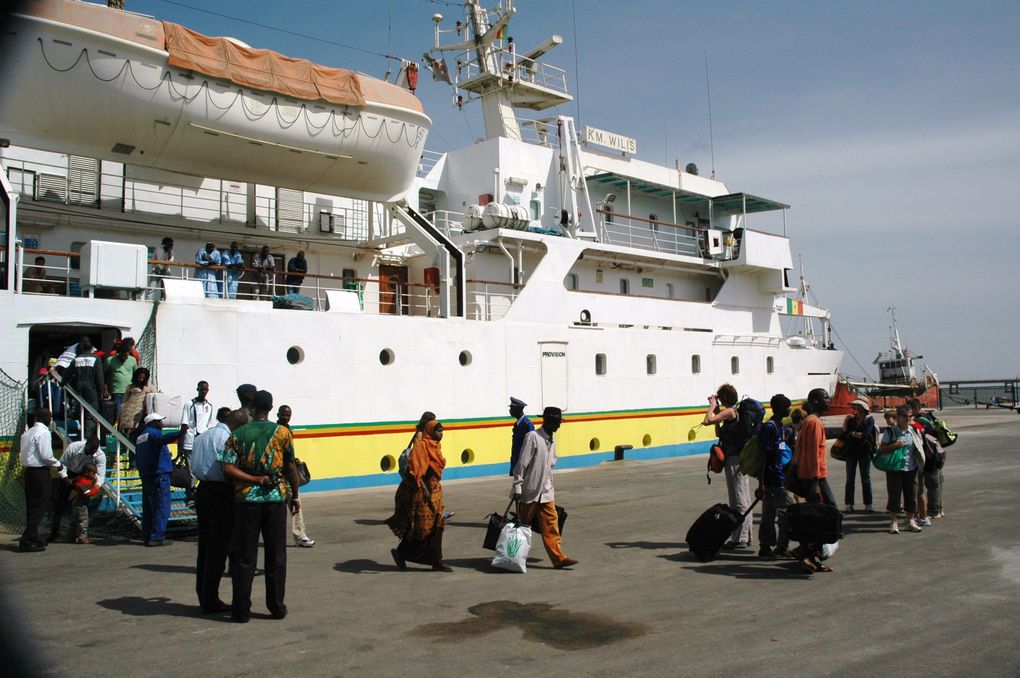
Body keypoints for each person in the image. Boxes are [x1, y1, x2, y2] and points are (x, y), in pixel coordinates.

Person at [221, 390, 301, 622]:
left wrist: (253, 479)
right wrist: (295, 496)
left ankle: (240, 610)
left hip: (246, 501)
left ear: (252, 407)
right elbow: (291, 468)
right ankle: (276, 607)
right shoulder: (283, 433)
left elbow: (227, 469)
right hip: (275, 500)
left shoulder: (238, 433)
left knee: (244, 557)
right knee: (276, 555)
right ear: (271, 408)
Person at [511, 406, 578, 569]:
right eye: (555, 422)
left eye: (559, 422)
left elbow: (550, 465)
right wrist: (518, 486)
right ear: (546, 421)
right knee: (522, 525)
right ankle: (512, 555)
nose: (557, 425)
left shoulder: (552, 441)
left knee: (551, 524)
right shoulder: (533, 437)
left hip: (546, 491)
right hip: (529, 490)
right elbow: (522, 464)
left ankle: (558, 558)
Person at [386, 419, 452, 572]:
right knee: (420, 528)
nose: (441, 434)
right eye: (438, 431)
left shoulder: (436, 446)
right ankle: (401, 553)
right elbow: (416, 472)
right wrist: (425, 491)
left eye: (442, 431)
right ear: (429, 431)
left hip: (435, 492)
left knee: (438, 525)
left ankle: (437, 561)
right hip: (422, 494)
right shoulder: (421, 446)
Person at [191, 406, 234, 614]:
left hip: (203, 489)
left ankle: (203, 593)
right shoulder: (226, 439)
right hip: (221, 492)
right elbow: (229, 470)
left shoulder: (202, 437)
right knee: (218, 548)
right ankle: (211, 597)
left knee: (205, 546)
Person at [792, 387, 839, 573]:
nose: (829, 401)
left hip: (812, 476)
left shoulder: (810, 422)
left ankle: (808, 552)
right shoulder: (814, 423)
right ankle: (807, 551)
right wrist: (814, 482)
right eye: (825, 398)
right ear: (815, 401)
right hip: (815, 477)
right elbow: (811, 453)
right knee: (829, 513)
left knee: (816, 516)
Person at [702, 384, 752, 549]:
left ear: (724, 398)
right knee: (743, 497)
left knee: (738, 498)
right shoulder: (733, 413)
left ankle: (740, 538)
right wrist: (717, 413)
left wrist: (712, 407)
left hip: (734, 459)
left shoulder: (730, 411)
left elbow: (706, 421)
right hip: (738, 458)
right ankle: (745, 535)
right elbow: (718, 432)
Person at [135, 412, 187, 546]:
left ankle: (147, 535)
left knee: (149, 508)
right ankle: (157, 537)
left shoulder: (141, 437)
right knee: (162, 505)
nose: (162, 424)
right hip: (158, 475)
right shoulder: (153, 433)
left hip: (147, 475)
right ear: (152, 423)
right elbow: (164, 439)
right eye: (159, 421)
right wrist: (180, 432)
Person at [19, 408, 63, 552]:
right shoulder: (43, 433)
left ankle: (33, 535)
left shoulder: (27, 433)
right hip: (40, 472)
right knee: (40, 505)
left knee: (32, 506)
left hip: (29, 472)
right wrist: (58, 464)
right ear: (49, 420)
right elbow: (46, 455)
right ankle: (27, 540)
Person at [49, 435, 106, 544]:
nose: (92, 453)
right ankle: (54, 533)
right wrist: (66, 479)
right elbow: (62, 464)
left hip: (84, 477)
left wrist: (97, 486)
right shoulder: (73, 447)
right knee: (59, 504)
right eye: (90, 450)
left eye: (95, 450)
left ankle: (76, 535)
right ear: (86, 445)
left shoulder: (100, 455)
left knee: (82, 508)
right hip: (69, 474)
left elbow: (101, 475)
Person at [757, 394, 792, 560]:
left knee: (770, 514)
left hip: (780, 476)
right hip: (773, 478)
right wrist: (761, 482)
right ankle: (779, 546)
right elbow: (763, 455)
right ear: (779, 409)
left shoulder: (780, 427)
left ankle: (767, 547)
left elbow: (781, 450)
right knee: (785, 513)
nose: (789, 410)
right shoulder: (770, 427)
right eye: (787, 407)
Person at [879, 405, 925, 534]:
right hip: (895, 468)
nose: (908, 419)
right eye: (905, 416)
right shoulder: (891, 431)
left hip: (911, 468)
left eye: (910, 416)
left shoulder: (914, 431)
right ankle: (893, 522)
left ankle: (910, 520)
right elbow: (881, 449)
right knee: (894, 495)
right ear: (898, 417)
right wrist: (895, 445)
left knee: (911, 495)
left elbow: (919, 448)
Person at [277, 404, 314, 547]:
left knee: (294, 504)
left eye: (288, 415)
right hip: (282, 474)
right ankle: (299, 535)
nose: (286, 417)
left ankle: (299, 535)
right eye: (283, 415)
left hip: (286, 473)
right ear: (278, 414)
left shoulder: (288, 430)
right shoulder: (277, 431)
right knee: (295, 502)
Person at [908, 398, 943, 523]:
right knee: (937, 483)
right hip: (938, 452)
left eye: (909, 409)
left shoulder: (920, 421)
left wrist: (910, 423)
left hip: (929, 456)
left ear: (915, 408)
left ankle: (934, 511)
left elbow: (920, 432)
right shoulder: (929, 417)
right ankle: (939, 509)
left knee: (931, 484)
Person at [65, 337, 105, 440]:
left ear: (81, 348)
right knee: (91, 413)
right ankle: (87, 437)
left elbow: (67, 374)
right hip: (91, 388)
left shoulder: (76, 359)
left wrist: (62, 383)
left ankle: (81, 434)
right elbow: (99, 376)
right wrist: (102, 391)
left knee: (80, 411)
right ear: (91, 348)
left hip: (79, 388)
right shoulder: (96, 358)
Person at [841, 398, 876, 513]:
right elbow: (845, 432)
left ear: (864, 407)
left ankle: (868, 503)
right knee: (850, 478)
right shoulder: (852, 419)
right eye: (856, 406)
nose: (856, 408)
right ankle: (849, 504)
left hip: (864, 451)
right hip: (851, 451)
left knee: (865, 478)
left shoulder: (869, 419)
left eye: (858, 406)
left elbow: (865, 435)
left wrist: (852, 433)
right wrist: (846, 421)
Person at [118, 367, 156, 442]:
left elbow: (155, 398)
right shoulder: (130, 387)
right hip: (129, 413)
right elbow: (125, 401)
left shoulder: (150, 387)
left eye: (143, 378)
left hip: (141, 414)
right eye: (139, 377)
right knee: (129, 433)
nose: (141, 380)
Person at [104, 337, 137, 422]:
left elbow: (135, 375)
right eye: (122, 355)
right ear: (118, 353)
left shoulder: (133, 360)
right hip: (116, 392)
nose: (124, 358)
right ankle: (117, 431)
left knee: (128, 414)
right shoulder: (110, 360)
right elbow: (106, 376)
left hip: (129, 391)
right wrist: (105, 389)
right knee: (118, 414)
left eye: (126, 356)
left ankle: (126, 433)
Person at [508, 396, 534, 475]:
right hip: (517, 460)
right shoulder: (517, 424)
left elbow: (531, 445)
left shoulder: (527, 424)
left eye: (512, 408)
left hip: (525, 462)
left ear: (518, 409)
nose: (510, 410)